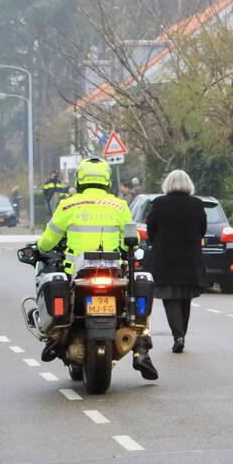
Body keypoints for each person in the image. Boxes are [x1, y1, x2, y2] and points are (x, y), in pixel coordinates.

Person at [36, 157, 158, 380]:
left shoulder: (68, 204)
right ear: (107, 180)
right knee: (135, 294)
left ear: (80, 179)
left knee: (56, 286)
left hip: (78, 273)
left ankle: (56, 337)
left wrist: (39, 248)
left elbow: (46, 242)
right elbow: (130, 240)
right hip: (112, 272)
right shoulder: (120, 205)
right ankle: (141, 350)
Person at [146, 169, 207, 355]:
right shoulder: (197, 204)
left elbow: (151, 229)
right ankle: (182, 335)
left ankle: (178, 335)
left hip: (166, 258)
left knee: (170, 297)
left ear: (168, 184)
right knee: (185, 297)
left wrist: (157, 241)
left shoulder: (159, 203)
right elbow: (202, 229)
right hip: (190, 257)